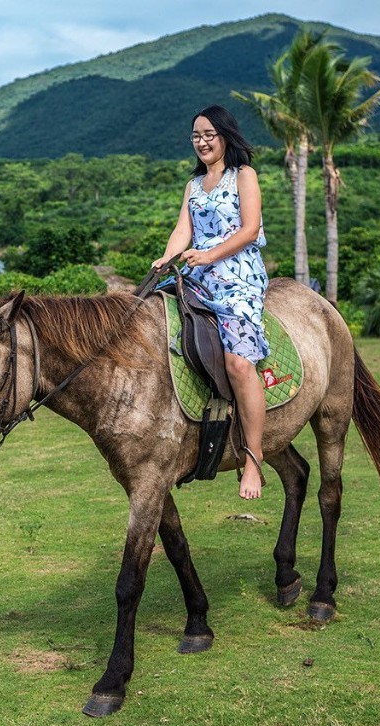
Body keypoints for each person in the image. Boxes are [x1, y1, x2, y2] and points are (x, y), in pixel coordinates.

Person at [152, 104, 269, 500]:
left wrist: (210, 254)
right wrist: (168, 256)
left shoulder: (244, 176)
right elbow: (182, 229)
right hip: (199, 273)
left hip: (238, 276)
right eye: (196, 136)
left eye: (208, 135)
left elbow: (250, 229)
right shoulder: (194, 185)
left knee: (238, 362)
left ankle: (253, 457)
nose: (202, 142)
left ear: (225, 136)